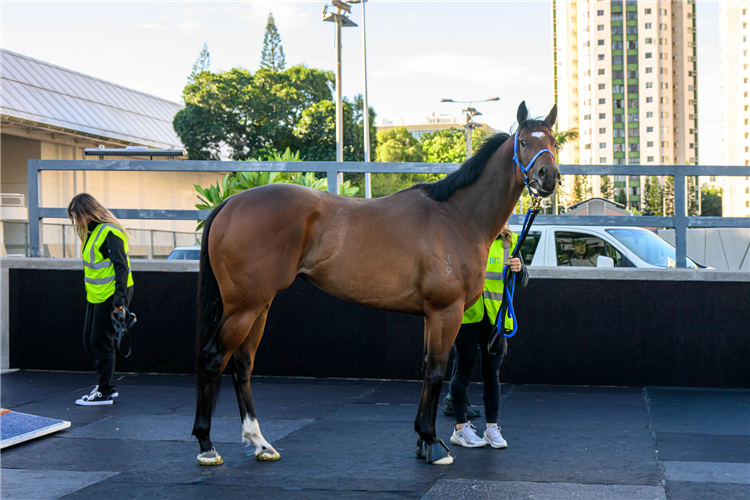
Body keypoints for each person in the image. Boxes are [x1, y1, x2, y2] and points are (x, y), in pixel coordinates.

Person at [449, 224, 529, 449]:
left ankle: (491, 428)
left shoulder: (509, 242)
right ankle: (460, 428)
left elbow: (523, 281)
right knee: (463, 370)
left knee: (491, 373)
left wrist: (519, 268)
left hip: (497, 317)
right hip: (468, 315)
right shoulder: (465, 237)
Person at [68, 193, 134, 406]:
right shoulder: (92, 232)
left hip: (112, 294)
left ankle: (105, 391)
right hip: (96, 296)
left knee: (101, 342)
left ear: (88, 212)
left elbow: (121, 267)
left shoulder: (108, 232)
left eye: (76, 216)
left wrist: (119, 300)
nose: (75, 221)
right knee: (90, 341)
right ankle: (107, 386)